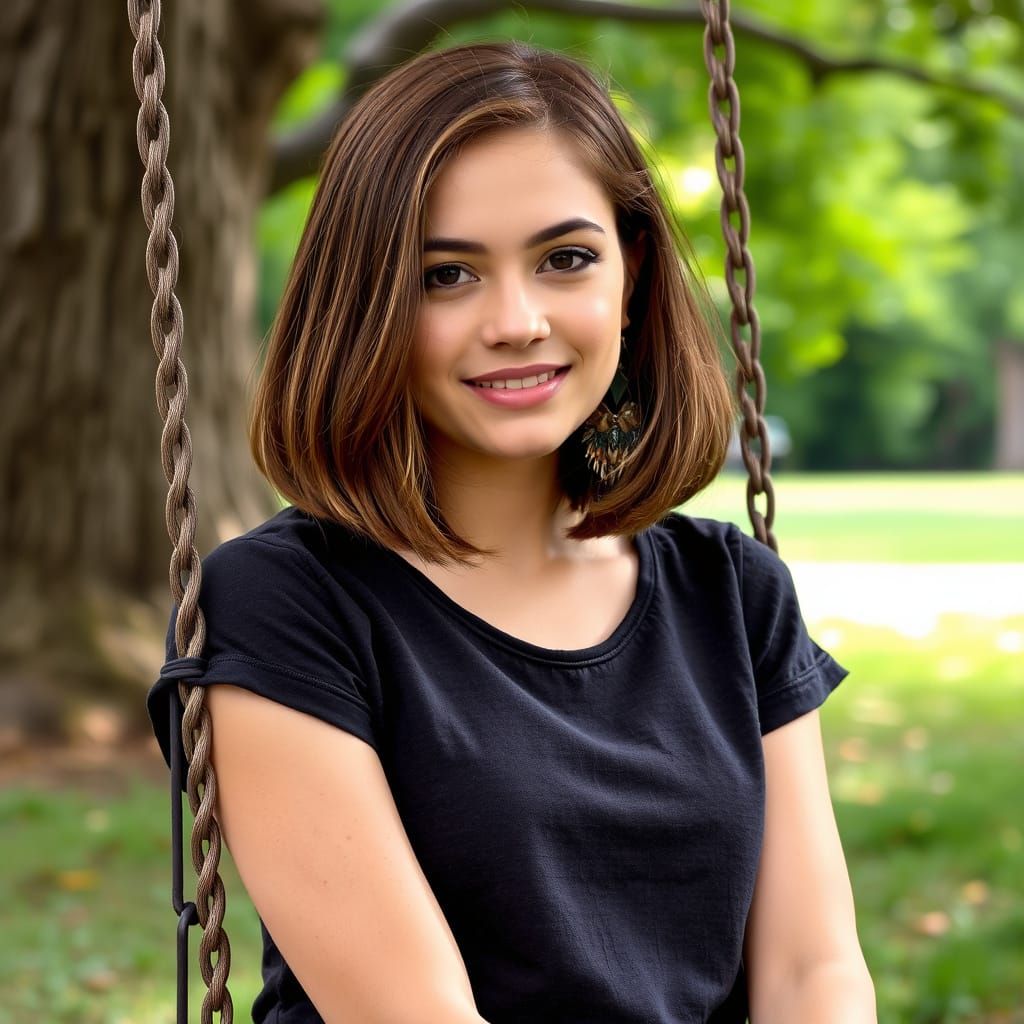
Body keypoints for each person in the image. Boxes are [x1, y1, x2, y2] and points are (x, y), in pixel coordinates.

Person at [149, 40, 876, 1024]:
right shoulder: (282, 605)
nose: (518, 320)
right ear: (368, 304)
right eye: (447, 275)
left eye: (564, 259)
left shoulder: (732, 593)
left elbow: (813, 974)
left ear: (633, 276)